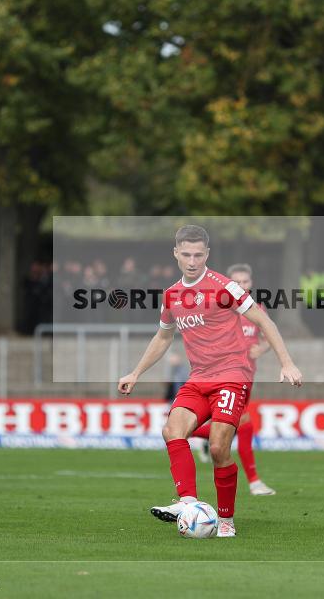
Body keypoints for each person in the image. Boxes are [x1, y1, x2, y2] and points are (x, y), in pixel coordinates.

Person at [118, 226, 302, 538]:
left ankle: (226, 520)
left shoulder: (224, 287)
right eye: (186, 254)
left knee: (218, 448)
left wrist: (286, 362)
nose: (192, 261)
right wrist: (135, 373)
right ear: (176, 253)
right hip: (198, 379)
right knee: (172, 430)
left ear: (207, 254)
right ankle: (188, 501)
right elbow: (163, 337)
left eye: (198, 255)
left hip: (232, 377)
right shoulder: (172, 295)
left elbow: (263, 320)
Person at [190, 263, 276, 495]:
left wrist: (263, 348)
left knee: (234, 427)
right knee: (244, 424)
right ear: (228, 284)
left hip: (248, 376)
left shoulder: (258, 309)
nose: (241, 286)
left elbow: (270, 335)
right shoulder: (221, 309)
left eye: (245, 282)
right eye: (236, 282)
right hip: (228, 377)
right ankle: (255, 482)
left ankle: (186, 432)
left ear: (251, 283)